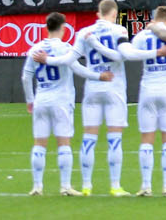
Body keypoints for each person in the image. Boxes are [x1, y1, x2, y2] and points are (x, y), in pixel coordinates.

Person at [23, 12, 113, 196]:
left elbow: (26, 77)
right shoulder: (65, 49)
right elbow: (78, 69)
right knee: (63, 143)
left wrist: (30, 100)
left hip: (41, 99)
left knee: (39, 143)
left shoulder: (35, 49)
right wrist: (99, 76)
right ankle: (65, 186)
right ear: (63, 28)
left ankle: (37, 186)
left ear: (46, 27)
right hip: (61, 101)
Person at [104, 7, 166, 196]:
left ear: (154, 19)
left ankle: (146, 186)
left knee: (146, 140)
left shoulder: (141, 36)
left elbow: (129, 55)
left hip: (147, 90)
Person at [71, 0, 131, 196]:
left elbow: (72, 62)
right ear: (114, 14)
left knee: (89, 137)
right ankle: (115, 185)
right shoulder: (119, 31)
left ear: (98, 13)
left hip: (93, 87)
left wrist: (94, 74)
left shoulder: (85, 32)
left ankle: (86, 185)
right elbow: (120, 56)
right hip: (114, 86)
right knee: (114, 138)